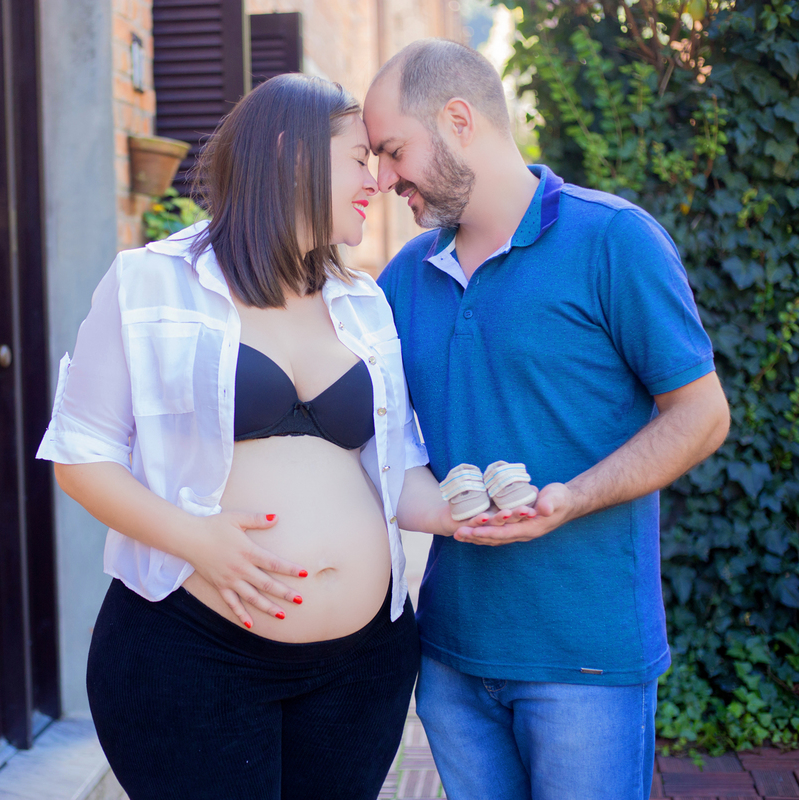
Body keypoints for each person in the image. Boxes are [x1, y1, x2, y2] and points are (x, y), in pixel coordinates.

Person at [36, 73, 535, 800]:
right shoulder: (149, 282)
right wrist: (197, 539)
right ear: (290, 154)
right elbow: (81, 457)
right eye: (359, 159)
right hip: (194, 656)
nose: (378, 180)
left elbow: (395, 472)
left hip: (362, 668)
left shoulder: (363, 303)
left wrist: (464, 513)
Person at [363, 39, 731, 800]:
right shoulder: (403, 278)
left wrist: (578, 496)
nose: (384, 178)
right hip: (451, 659)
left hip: (586, 662)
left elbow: (701, 415)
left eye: (394, 151)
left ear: (459, 119)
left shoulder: (613, 240)